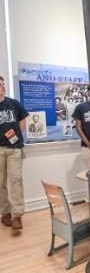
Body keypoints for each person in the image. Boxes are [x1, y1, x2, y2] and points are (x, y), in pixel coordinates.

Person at [0, 75, 29, 230]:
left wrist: (16, 134)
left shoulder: (14, 104)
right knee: (0, 184)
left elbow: (23, 121)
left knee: (16, 181)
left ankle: (17, 216)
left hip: (14, 149)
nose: (3, 87)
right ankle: (5, 213)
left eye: (3, 84)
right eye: (0, 84)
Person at [72, 85, 90, 168]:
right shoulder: (80, 107)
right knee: (88, 172)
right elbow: (78, 127)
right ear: (88, 92)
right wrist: (88, 144)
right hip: (87, 147)